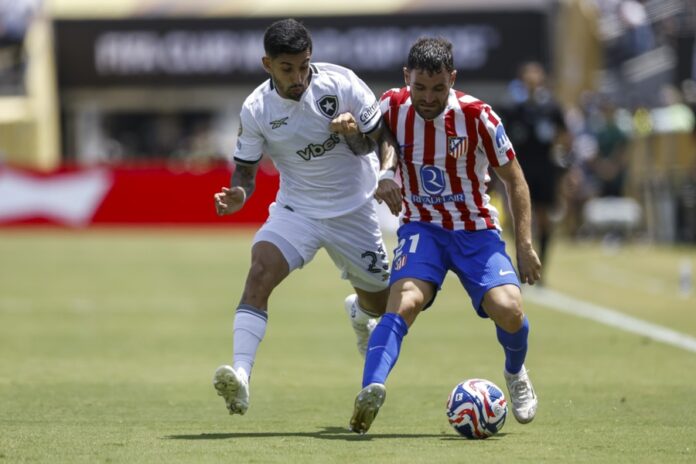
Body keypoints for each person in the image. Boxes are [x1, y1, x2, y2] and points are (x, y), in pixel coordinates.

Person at [349, 38, 542, 434]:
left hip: (476, 230)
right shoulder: (390, 106)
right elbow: (366, 141)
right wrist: (374, 162)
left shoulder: (479, 116)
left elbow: (515, 181)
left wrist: (524, 244)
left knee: (510, 310)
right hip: (423, 228)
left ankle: (516, 371)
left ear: (452, 79)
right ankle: (371, 388)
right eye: (420, 87)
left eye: (438, 89)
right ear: (408, 78)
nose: (428, 98)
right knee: (404, 302)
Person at [211, 19, 402, 416]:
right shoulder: (256, 109)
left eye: (304, 65)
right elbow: (245, 170)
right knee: (259, 272)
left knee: (382, 305)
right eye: (287, 68)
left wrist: (362, 146)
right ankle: (242, 377)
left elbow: (382, 137)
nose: (298, 77)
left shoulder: (341, 83)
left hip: (354, 210)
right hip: (297, 209)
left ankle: (359, 311)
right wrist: (239, 194)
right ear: (268, 64)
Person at [502, 61, 570, 272]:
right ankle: (521, 256)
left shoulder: (551, 108)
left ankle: (542, 262)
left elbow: (564, 133)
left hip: (544, 168)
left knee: (543, 216)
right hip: (519, 168)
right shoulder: (513, 109)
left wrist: (558, 153)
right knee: (517, 216)